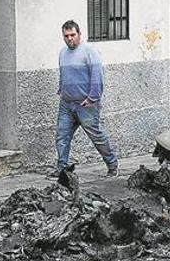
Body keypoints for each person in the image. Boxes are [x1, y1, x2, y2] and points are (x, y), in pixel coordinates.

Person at [48, 20, 118, 179]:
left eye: (73, 35)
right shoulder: (62, 53)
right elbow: (63, 74)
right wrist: (61, 89)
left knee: (96, 136)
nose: (70, 38)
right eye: (66, 36)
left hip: (86, 104)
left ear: (79, 34)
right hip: (67, 104)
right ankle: (62, 169)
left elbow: (97, 76)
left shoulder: (89, 51)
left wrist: (92, 98)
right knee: (61, 135)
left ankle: (112, 165)